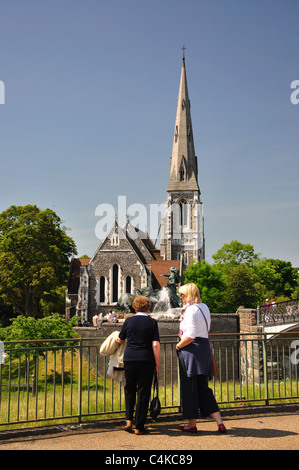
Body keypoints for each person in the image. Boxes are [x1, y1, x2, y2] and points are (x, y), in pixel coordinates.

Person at [176, 283, 226, 434]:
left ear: (189, 295)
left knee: (189, 388)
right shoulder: (204, 307)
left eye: (182, 295)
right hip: (204, 349)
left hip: (191, 351)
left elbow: (190, 335)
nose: (181, 298)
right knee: (203, 388)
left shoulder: (190, 311)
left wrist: (178, 346)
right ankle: (220, 422)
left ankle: (192, 425)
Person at [117, 296, 160, 435]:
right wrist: (157, 364)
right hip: (146, 359)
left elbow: (120, 339)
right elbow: (155, 344)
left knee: (129, 389)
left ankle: (128, 420)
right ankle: (139, 426)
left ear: (135, 308)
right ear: (148, 308)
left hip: (130, 359)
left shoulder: (129, 321)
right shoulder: (152, 322)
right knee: (143, 391)